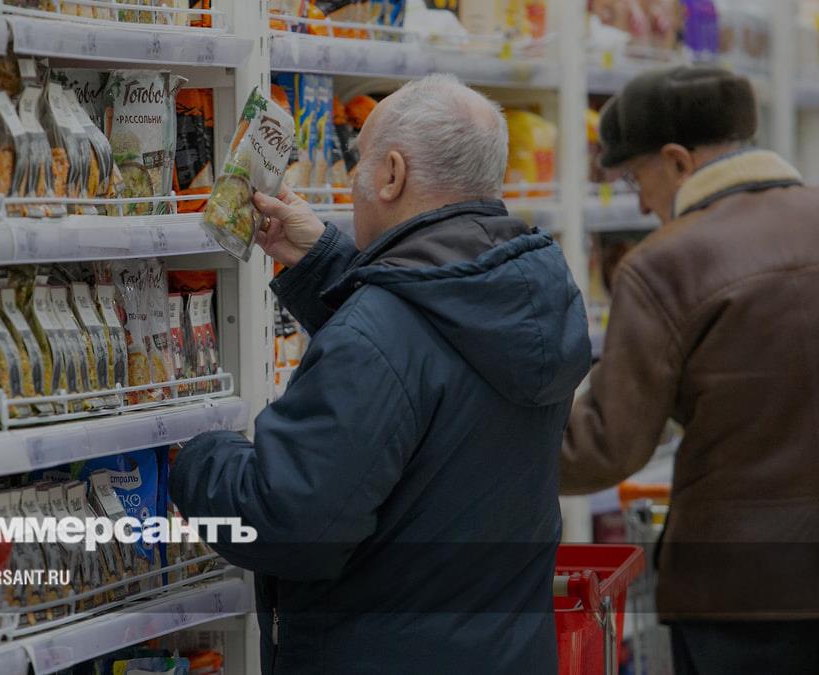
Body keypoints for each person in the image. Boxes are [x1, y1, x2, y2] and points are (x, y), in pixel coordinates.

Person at [169, 74, 591, 674]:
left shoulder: (382, 335)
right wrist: (326, 264)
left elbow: (285, 523)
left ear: (392, 174)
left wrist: (195, 454)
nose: (351, 180)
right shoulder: (531, 297)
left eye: (360, 160)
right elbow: (431, 356)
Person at [560, 66, 819, 674]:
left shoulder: (666, 264)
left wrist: (485, 441)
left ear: (677, 161)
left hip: (739, 592)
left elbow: (607, 444)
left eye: (635, 178)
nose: (641, 204)